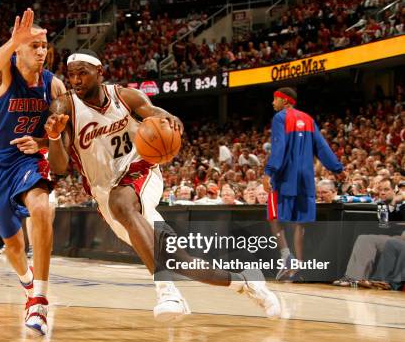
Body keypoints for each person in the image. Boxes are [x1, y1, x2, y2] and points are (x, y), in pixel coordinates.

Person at [45, 49, 281, 321]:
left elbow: (158, 114)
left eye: (82, 73)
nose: (76, 80)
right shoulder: (64, 107)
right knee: (180, 260)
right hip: (103, 192)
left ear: (100, 72)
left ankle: (168, 292)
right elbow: (59, 167)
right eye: (71, 74)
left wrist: (170, 121)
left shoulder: (125, 96)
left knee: (121, 202)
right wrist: (52, 137)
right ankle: (246, 283)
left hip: (140, 170)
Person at [0, 8, 66, 336]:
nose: (41, 51)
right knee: (14, 245)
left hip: (26, 160)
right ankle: (28, 284)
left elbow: (63, 130)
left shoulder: (53, 86)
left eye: (44, 46)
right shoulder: (2, 76)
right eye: (33, 46)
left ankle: (39, 298)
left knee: (42, 208)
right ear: (19, 50)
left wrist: (43, 138)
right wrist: (14, 40)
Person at [263, 87, 345, 280]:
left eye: (275, 99)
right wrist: (337, 168)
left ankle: (286, 257)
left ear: (285, 101)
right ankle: (298, 268)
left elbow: (279, 147)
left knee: (273, 215)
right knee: (299, 222)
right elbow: (322, 147)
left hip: (285, 176)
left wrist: (269, 172)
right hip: (306, 178)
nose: (272, 103)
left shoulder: (280, 118)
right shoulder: (308, 119)